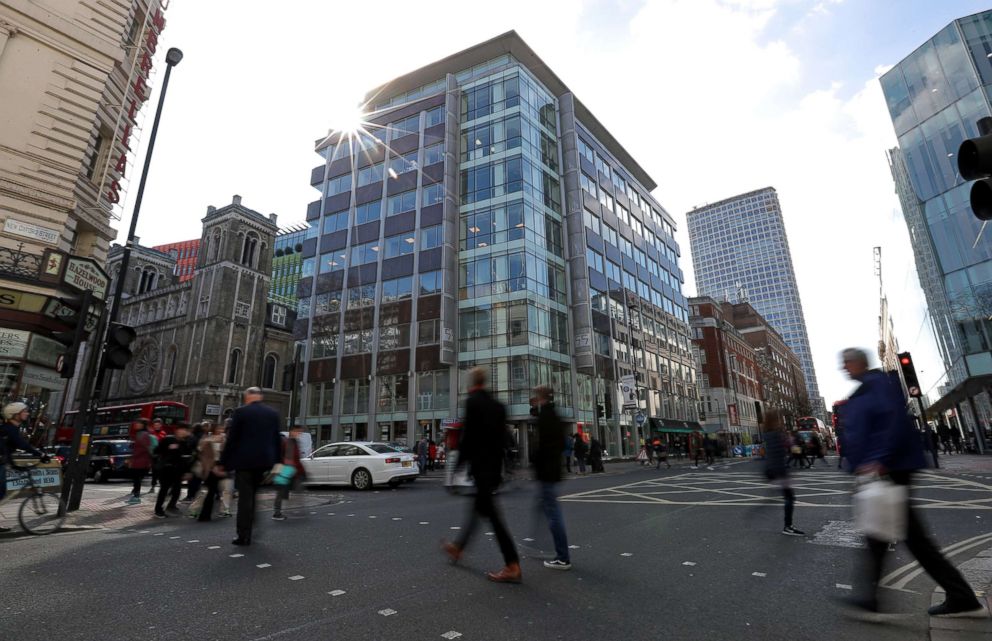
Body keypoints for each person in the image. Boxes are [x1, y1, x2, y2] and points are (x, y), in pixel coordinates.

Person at [839, 347, 986, 618]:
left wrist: (878, 460)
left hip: (891, 469)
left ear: (858, 363)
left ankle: (961, 597)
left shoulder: (877, 385)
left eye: (846, 363)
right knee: (882, 537)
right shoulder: (870, 386)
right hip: (884, 469)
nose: (844, 368)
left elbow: (891, 423)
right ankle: (873, 599)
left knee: (909, 538)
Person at [441, 367, 521, 583]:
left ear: (471, 383)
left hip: (480, 469)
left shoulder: (472, 402)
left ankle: (512, 564)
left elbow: (468, 439)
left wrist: (456, 470)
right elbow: (505, 440)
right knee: (480, 510)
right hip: (494, 470)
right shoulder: (499, 406)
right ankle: (458, 547)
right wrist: (508, 468)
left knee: (493, 517)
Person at [216, 387, 281, 546]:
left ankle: (243, 534)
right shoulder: (272, 413)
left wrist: (223, 463)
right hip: (264, 462)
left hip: (244, 461)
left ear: (247, 397)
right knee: (253, 495)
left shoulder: (241, 412)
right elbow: (276, 440)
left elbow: (232, 440)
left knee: (245, 498)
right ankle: (252, 523)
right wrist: (277, 462)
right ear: (260, 396)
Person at [530, 385, 571, 570]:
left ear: (541, 397)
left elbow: (543, 445)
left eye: (536, 397)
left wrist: (536, 463)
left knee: (552, 513)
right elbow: (561, 442)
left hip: (546, 471)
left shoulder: (546, 416)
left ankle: (562, 556)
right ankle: (540, 545)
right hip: (552, 469)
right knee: (544, 508)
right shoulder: (553, 414)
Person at [0, 402, 49, 531]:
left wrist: (14, 465)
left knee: (2, 490)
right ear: (15, 414)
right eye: (24, 411)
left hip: (2, 462)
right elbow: (22, 445)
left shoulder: (11, 428)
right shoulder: (9, 429)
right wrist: (41, 454)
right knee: (1, 490)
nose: (27, 413)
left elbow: (7, 449)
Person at [762, 408, 804, 536]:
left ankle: (787, 525)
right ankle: (788, 526)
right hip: (780, 470)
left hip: (771, 469)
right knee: (790, 497)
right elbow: (793, 448)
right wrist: (796, 447)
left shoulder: (766, 434)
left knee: (787, 496)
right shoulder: (780, 434)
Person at [153, 423, 192, 518]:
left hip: (178, 470)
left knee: (177, 490)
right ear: (178, 430)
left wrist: (187, 471)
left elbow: (186, 458)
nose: (186, 433)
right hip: (166, 469)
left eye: (187, 431)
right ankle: (158, 510)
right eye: (184, 430)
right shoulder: (168, 439)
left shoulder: (185, 443)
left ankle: (171, 506)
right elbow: (156, 451)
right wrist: (166, 452)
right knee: (164, 490)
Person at [272, 424, 307, 521]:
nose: (299, 434)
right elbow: (280, 456)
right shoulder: (285, 442)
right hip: (285, 470)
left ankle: (296, 510)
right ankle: (277, 512)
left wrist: (302, 471)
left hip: (294, 471)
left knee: (298, 490)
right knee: (281, 492)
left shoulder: (295, 442)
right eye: (297, 431)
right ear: (291, 431)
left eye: (300, 432)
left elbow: (297, 460)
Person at [127, 418, 156, 504]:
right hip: (140, 460)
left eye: (138, 423)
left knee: (137, 479)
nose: (136, 425)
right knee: (137, 479)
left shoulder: (143, 434)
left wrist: (132, 457)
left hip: (141, 460)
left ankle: (136, 497)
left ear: (142, 425)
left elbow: (145, 448)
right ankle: (136, 495)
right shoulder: (140, 434)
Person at [182, 422, 207, 502]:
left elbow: (188, 448)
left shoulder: (193, 437)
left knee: (192, 479)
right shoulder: (204, 437)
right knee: (198, 479)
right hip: (202, 461)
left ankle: (190, 496)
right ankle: (195, 495)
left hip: (193, 461)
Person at [148, 418, 166, 493]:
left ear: (161, 425)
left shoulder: (163, 434)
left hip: (161, 455)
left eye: (158, 425)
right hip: (153, 455)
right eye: (155, 425)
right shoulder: (151, 433)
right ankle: (153, 486)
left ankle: (163, 486)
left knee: (161, 471)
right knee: (154, 471)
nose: (156, 426)